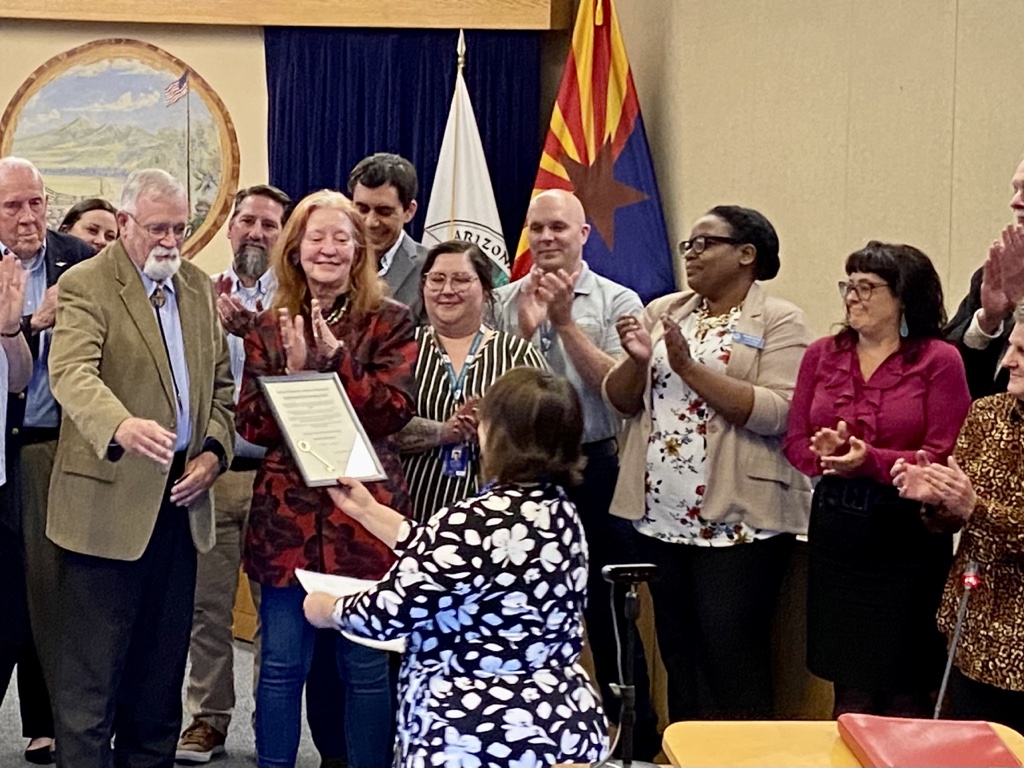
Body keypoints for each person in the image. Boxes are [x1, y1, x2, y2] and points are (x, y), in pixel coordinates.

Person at [304, 367, 609, 768]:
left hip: (474, 727)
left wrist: (330, 610)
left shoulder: (473, 521)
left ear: (497, 434)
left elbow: (391, 612)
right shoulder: (562, 514)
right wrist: (369, 512)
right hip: (559, 718)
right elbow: (460, 560)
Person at [46, 168, 235, 767]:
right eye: (157, 228)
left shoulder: (197, 287)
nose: (170, 241)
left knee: (159, 685)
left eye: (179, 228)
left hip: (180, 505)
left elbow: (222, 389)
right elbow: (72, 373)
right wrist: (120, 425)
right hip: (105, 507)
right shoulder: (85, 284)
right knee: (90, 688)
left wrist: (213, 451)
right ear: (125, 223)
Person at [603, 205, 812, 720]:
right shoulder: (666, 310)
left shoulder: (779, 319)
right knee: (678, 652)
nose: (691, 254)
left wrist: (688, 368)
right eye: (688, 245)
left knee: (730, 652)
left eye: (705, 243)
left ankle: (745, 753)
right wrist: (637, 362)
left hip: (739, 520)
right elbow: (621, 402)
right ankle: (684, 748)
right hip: (663, 515)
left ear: (746, 254)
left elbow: (778, 412)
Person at [237, 189, 417, 768]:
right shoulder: (267, 327)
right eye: (316, 237)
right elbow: (250, 423)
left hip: (363, 519)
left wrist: (338, 360)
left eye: (342, 238)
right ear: (295, 249)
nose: (329, 249)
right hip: (286, 521)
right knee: (282, 665)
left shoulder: (391, 320)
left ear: (359, 251)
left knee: (363, 667)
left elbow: (394, 411)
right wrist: (291, 379)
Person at [491, 189, 660, 759]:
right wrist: (523, 332)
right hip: (517, 474)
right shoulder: (501, 299)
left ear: (584, 234)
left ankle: (633, 737)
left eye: (558, 228)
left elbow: (619, 393)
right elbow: (498, 390)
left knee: (605, 608)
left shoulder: (618, 301)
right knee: (518, 602)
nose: (546, 238)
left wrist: (563, 324)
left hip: (592, 467)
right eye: (536, 228)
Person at [783, 241, 971, 718]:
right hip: (837, 532)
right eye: (849, 286)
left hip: (906, 533)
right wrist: (826, 456)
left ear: (903, 296)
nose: (852, 297)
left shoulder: (938, 359)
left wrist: (869, 460)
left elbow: (944, 453)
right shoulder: (822, 354)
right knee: (849, 686)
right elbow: (795, 442)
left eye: (867, 287)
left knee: (905, 685)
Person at [176, 184, 291, 764]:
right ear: (230, 226)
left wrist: (260, 330)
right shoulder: (197, 293)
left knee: (276, 610)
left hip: (278, 474)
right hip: (215, 470)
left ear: (284, 235)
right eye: (248, 221)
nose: (256, 233)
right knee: (208, 607)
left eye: (269, 225)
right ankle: (207, 718)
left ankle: (271, 721)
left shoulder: (298, 302)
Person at [892, 302, 1024, 735]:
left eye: (1022, 351)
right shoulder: (985, 415)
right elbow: (952, 519)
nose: (1007, 361)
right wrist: (937, 499)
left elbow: (976, 511)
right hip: (972, 631)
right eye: (1009, 347)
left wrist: (975, 509)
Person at [0, 156, 93, 765]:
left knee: (49, 585)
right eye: (13, 206)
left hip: (56, 445)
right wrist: (31, 322)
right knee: (10, 585)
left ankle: (46, 723)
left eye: (36, 201)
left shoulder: (79, 260)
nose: (29, 216)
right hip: (2, 444)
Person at [396, 239, 546, 521]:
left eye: (461, 280)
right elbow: (374, 427)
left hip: (497, 520)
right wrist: (443, 432)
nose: (447, 290)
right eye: (436, 279)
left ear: (486, 289)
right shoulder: (399, 350)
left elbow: (543, 439)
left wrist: (492, 432)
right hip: (408, 513)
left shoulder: (517, 354)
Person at [0, 252, 43, 764]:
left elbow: (17, 382)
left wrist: (12, 330)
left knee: (12, 620)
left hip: (2, 476)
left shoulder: (6, 274)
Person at [945, 157, 1024, 399]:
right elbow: (946, 369)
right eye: (1015, 189)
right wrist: (988, 320)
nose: (1015, 202)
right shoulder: (997, 271)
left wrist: (1021, 302)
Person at [347, 153, 427, 323]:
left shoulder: (430, 268)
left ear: (409, 211)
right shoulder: (330, 261)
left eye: (384, 212)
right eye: (362, 209)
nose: (370, 222)